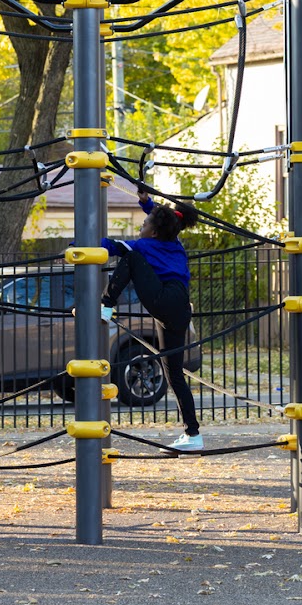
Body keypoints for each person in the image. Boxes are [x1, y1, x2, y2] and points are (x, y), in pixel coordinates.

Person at [102, 191, 201, 450]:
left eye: (144, 225)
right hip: (179, 308)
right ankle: (193, 435)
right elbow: (164, 221)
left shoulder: (144, 246)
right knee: (174, 375)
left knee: (131, 257)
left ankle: (106, 304)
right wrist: (148, 205)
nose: (140, 228)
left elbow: (112, 246)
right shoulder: (174, 242)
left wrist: (80, 246)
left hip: (163, 301)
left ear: (154, 232)